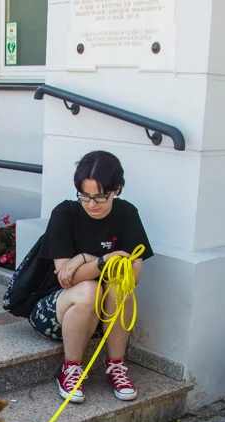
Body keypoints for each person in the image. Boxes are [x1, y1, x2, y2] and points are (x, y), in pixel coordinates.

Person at [31, 151, 154, 403]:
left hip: (103, 312)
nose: (92, 204)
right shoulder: (65, 213)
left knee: (121, 286)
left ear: (117, 189)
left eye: (100, 196)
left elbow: (133, 274)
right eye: (85, 196)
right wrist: (101, 259)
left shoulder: (126, 213)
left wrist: (84, 262)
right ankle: (71, 368)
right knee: (88, 288)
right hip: (55, 310)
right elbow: (67, 279)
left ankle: (116, 365)